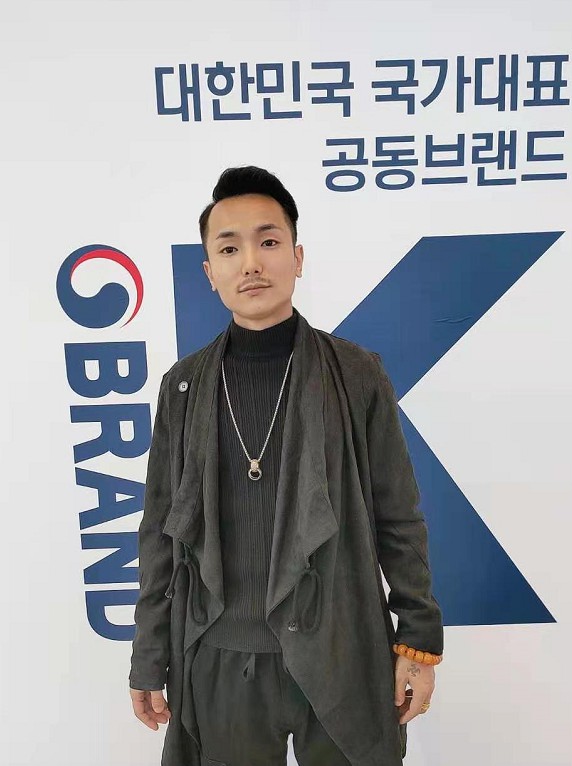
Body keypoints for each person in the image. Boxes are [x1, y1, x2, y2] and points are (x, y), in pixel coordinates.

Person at [129, 166, 444, 766]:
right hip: (220, 656)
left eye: (268, 241)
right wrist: (148, 654)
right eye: (229, 249)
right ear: (209, 272)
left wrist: (418, 640)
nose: (251, 262)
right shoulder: (184, 387)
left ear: (297, 258)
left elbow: (398, 517)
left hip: (340, 649)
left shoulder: (356, 374)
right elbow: (159, 534)